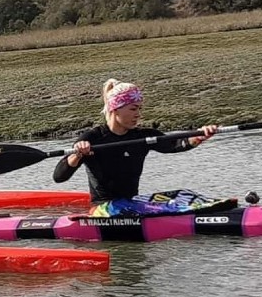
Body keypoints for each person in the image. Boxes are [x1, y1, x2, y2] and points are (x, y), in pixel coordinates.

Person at [53, 78, 218, 208]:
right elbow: (59, 177)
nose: (138, 114)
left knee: (184, 195)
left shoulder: (143, 136)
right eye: (133, 109)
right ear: (115, 109)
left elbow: (175, 144)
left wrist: (200, 136)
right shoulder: (93, 138)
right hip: (103, 207)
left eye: (139, 109)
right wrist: (77, 155)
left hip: (132, 202)